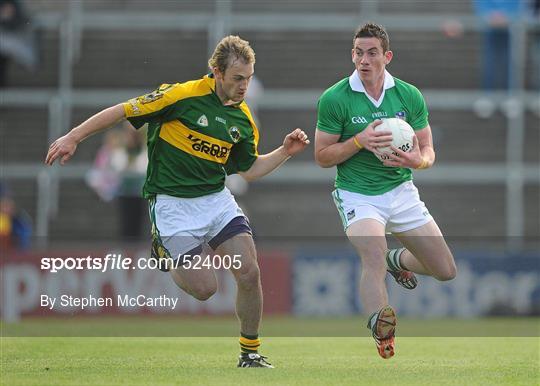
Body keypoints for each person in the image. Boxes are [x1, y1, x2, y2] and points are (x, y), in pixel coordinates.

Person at [45, 35, 310, 368]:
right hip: (172, 205)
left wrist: (284, 152)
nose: (244, 86)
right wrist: (73, 137)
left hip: (215, 200)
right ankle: (164, 251)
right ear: (217, 72)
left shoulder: (242, 120)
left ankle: (250, 352)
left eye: (249, 78)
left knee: (249, 272)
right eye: (237, 78)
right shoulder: (180, 96)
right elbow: (121, 111)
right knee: (205, 289)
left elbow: (249, 170)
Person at [314, 23, 456, 359]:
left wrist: (415, 161)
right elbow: (322, 157)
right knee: (373, 254)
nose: (363, 59)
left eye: (372, 52)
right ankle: (382, 331)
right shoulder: (335, 98)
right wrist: (359, 141)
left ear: (387, 56)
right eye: (358, 52)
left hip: (401, 191)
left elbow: (428, 152)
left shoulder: (408, 95)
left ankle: (399, 260)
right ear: (352, 54)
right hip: (358, 194)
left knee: (445, 271)